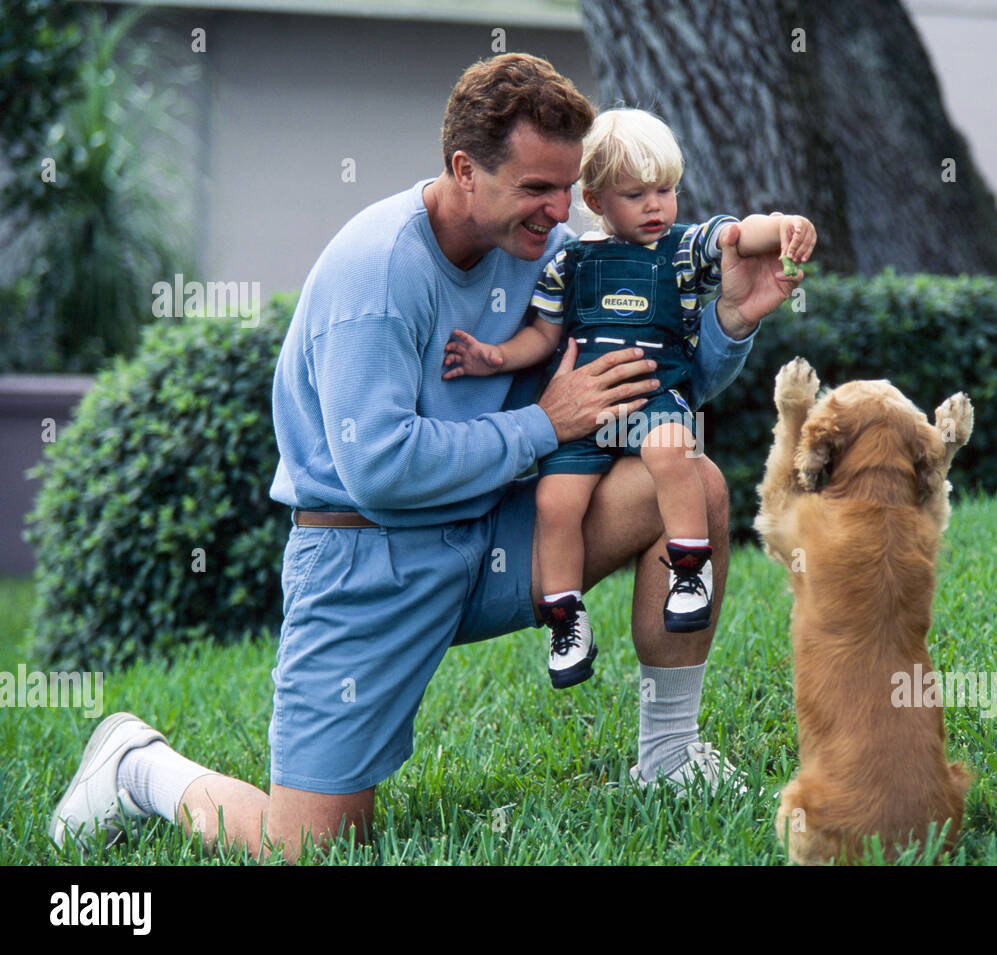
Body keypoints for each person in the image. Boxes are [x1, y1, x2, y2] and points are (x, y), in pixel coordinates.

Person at [47, 53, 805, 863]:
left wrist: (727, 321)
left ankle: (667, 758)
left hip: (496, 533)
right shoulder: (376, 271)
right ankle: (137, 767)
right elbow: (380, 468)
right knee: (307, 845)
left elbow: (631, 388)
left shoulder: (548, 255)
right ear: (464, 169)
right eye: (537, 189)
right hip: (368, 556)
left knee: (692, 482)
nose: (559, 211)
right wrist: (545, 424)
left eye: (567, 186)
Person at [442, 108, 815, 691]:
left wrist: (785, 226)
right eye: (636, 193)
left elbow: (737, 235)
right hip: (584, 417)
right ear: (594, 197)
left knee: (674, 457)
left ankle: (688, 570)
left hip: (654, 398)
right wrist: (495, 356)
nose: (656, 207)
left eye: (666, 190)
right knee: (556, 503)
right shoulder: (568, 261)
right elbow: (542, 335)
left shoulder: (682, 250)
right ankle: (567, 620)